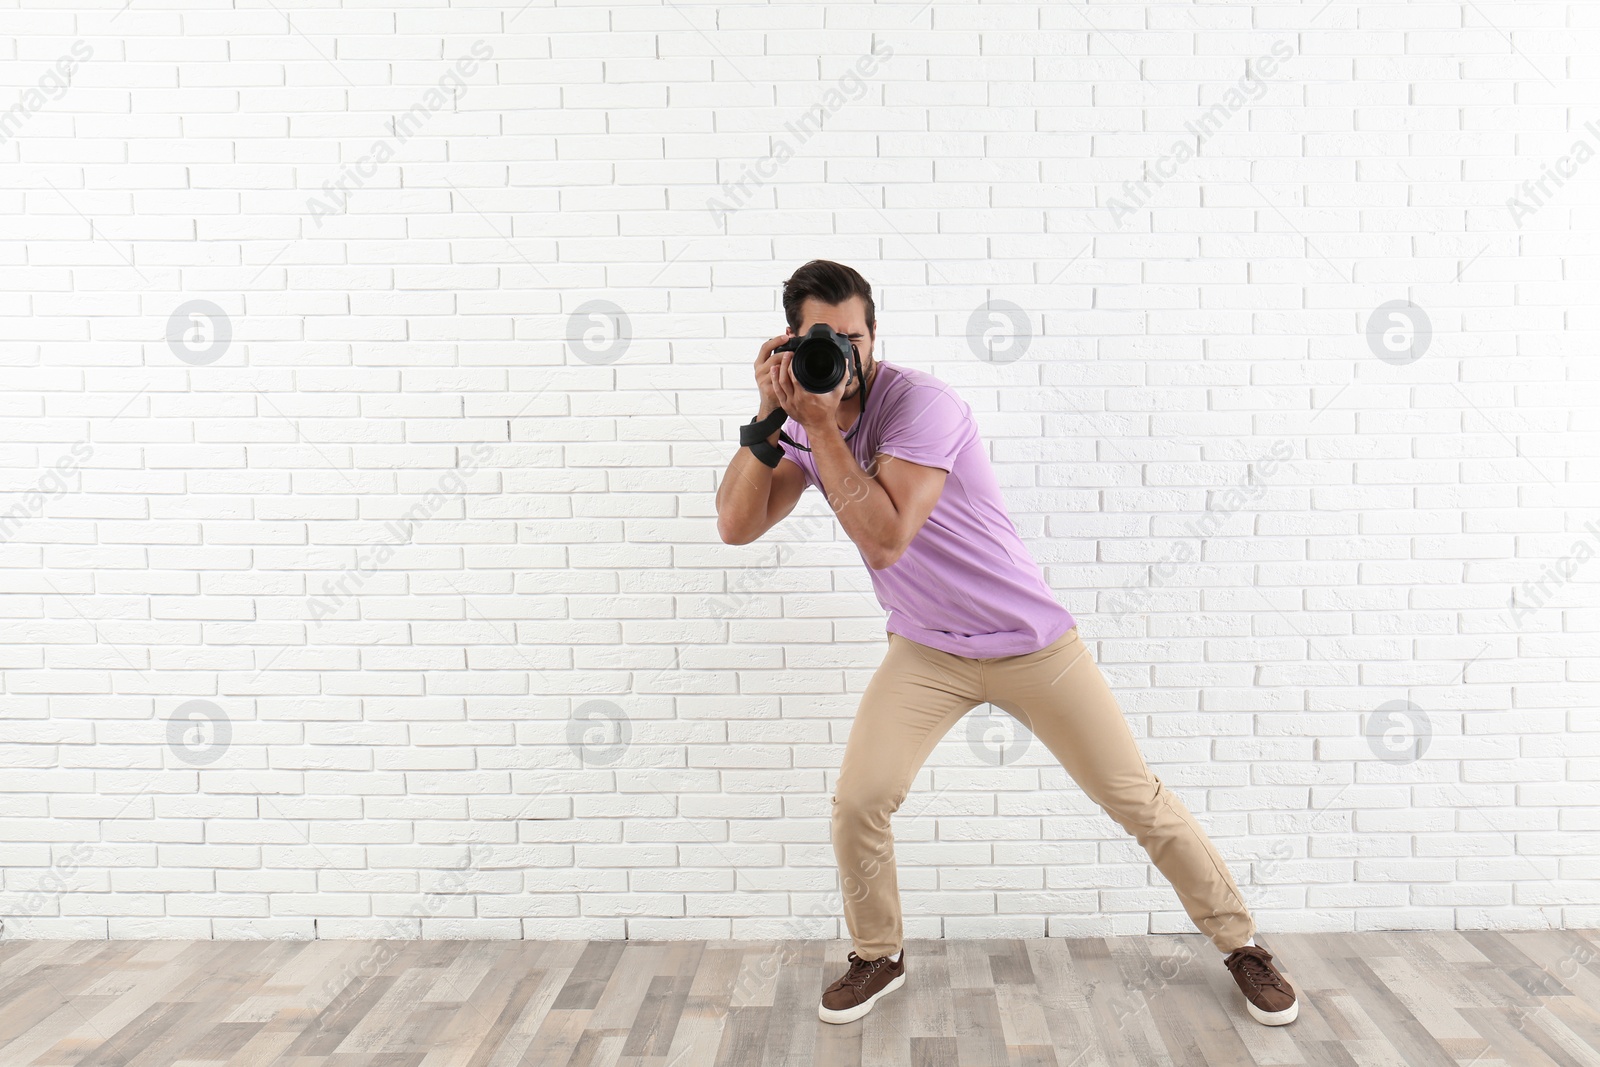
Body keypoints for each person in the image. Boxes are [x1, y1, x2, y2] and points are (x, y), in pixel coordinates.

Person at [714, 259, 1299, 1029]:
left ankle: (1242, 943)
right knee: (859, 799)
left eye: (851, 336)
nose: (840, 353)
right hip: (927, 650)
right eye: (821, 338)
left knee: (1134, 797)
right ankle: (877, 953)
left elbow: (887, 539)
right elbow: (736, 525)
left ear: (873, 334)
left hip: (1031, 643)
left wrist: (817, 426)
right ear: (791, 340)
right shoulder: (801, 418)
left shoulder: (922, 405)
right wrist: (768, 417)